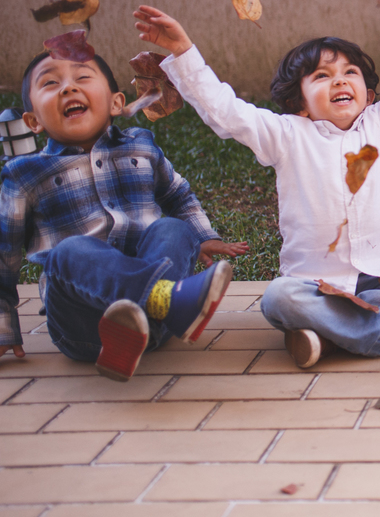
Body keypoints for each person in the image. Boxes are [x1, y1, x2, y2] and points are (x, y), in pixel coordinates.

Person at [134, 0, 380, 369]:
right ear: (299, 104)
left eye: (350, 72)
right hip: (315, 284)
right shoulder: (286, 134)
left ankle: (331, 336)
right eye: (321, 76)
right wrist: (182, 52)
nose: (339, 80)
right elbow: (227, 112)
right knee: (277, 299)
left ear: (369, 94)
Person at [1, 50, 244, 381]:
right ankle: (162, 300)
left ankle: (139, 327)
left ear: (116, 103)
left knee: (173, 229)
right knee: (70, 250)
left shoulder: (141, 146)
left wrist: (204, 235)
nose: (68, 88)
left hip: (151, 328)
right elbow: (5, 254)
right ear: (33, 122)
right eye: (51, 83)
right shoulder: (24, 174)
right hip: (81, 325)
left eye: (82, 77)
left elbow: (178, 195)